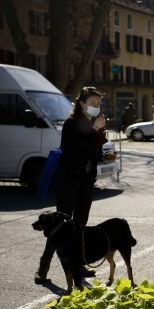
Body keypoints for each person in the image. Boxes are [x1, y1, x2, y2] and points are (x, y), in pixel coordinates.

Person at [34, 86, 109, 284]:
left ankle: (78, 263)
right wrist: (95, 128)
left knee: (81, 223)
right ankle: (44, 265)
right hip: (68, 179)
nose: (96, 106)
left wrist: (103, 155)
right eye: (92, 103)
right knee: (60, 224)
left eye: (98, 103)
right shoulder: (71, 123)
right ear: (82, 104)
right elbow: (76, 149)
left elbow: (91, 151)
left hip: (86, 179)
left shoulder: (96, 123)